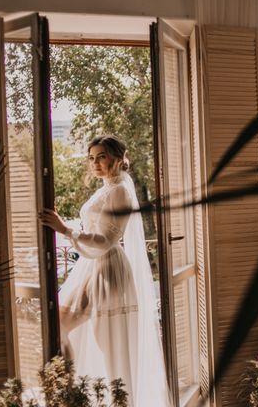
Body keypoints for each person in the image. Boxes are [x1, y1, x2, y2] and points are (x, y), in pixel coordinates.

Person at [39, 135, 171, 406]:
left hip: (108, 269)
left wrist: (64, 229)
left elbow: (106, 241)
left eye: (101, 156)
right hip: (91, 266)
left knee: (112, 346)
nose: (95, 162)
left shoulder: (121, 189)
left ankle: (121, 401)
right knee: (60, 325)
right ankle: (71, 393)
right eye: (91, 157)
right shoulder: (107, 187)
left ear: (117, 158)